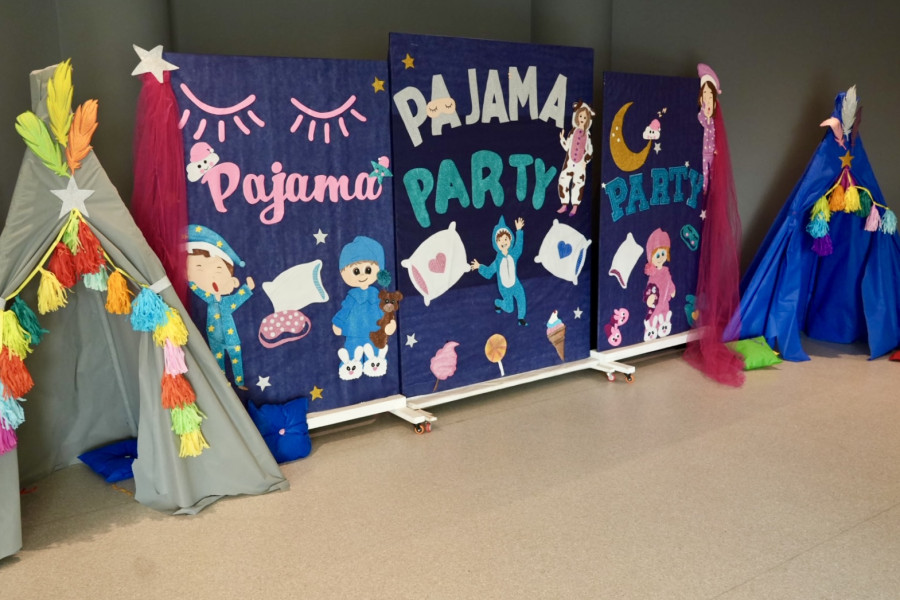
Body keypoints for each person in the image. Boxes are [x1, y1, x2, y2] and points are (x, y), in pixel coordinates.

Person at [187, 224, 255, 389]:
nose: (213, 278)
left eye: (219, 269)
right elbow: (196, 289)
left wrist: (247, 288)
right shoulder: (208, 298)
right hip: (214, 337)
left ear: (233, 281)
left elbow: (238, 298)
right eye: (199, 268)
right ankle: (223, 385)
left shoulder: (227, 302)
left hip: (231, 337)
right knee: (218, 362)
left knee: (236, 358)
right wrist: (188, 280)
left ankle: (239, 382)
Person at [332, 236, 395, 357]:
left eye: (368, 270)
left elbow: (384, 309)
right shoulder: (352, 297)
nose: (362, 275)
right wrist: (338, 323)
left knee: (375, 356)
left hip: (375, 332)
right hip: (354, 332)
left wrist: (389, 322)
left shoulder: (377, 295)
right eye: (356, 271)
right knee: (352, 355)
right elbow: (345, 310)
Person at [471, 216, 527, 326]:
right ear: (496, 243)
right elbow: (489, 272)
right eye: (500, 240)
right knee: (509, 308)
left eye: (506, 239)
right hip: (504, 288)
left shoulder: (513, 254)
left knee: (521, 297)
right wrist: (479, 266)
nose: (503, 242)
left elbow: (519, 247)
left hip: (515, 284)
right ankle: (498, 303)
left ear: (510, 240)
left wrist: (519, 231)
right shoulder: (498, 260)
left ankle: (521, 318)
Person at [643, 228, 675, 341]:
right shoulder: (653, 273)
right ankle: (651, 330)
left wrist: (672, 289)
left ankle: (664, 327)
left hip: (665, 300)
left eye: (663, 253)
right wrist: (649, 297)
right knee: (654, 315)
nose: (661, 257)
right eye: (657, 255)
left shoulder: (666, 271)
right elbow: (650, 287)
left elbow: (669, 281)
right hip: (656, 301)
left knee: (665, 313)